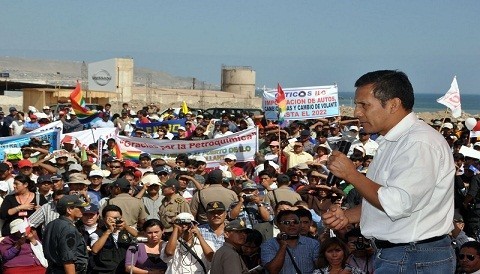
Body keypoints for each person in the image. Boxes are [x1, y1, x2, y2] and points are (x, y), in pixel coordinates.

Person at [322, 70, 456, 272]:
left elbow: (398, 203)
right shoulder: (393, 141)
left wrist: (351, 175)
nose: (356, 113)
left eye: (364, 105)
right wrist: (349, 215)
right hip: (402, 255)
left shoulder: (418, 143)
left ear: (393, 104)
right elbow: (394, 200)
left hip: (413, 257)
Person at [261, 209, 319, 274]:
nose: (292, 225)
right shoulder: (268, 245)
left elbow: (321, 267)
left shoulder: (313, 244)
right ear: (278, 224)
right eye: (287, 222)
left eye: (295, 222)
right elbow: (273, 270)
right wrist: (283, 246)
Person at [43, 195, 89, 274]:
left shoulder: (51, 224)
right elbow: (68, 260)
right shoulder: (68, 228)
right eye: (80, 207)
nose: (83, 210)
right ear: (69, 210)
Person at [90, 204, 138, 273]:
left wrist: (126, 227)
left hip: (124, 270)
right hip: (105, 271)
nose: (114, 220)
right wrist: (109, 231)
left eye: (116, 218)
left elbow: (140, 237)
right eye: (110, 218)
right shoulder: (97, 234)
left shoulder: (128, 231)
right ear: (103, 219)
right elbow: (94, 250)